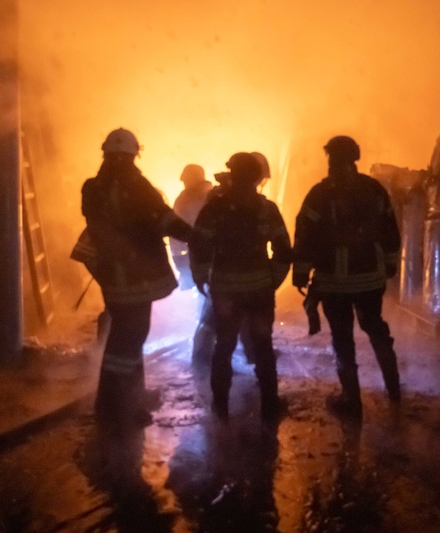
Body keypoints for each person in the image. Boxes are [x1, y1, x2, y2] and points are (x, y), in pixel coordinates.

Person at [81, 127, 192, 432]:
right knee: (127, 343)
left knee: (125, 340)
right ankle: (117, 409)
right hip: (137, 278)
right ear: (134, 156)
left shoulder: (93, 188)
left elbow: (99, 227)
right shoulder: (138, 186)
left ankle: (127, 401)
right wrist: (196, 236)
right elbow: (164, 219)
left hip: (113, 279)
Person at [292, 135, 402, 419]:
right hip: (369, 280)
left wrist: (301, 273)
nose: (330, 162)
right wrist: (389, 264)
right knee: (375, 328)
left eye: (331, 157)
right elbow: (390, 228)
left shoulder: (320, 193)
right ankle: (394, 391)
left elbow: (304, 235)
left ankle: (351, 401)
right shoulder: (373, 189)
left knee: (342, 338)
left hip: (333, 282)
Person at [189, 152, 292, 421]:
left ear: (232, 175)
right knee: (263, 345)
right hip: (259, 291)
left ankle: (220, 407)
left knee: (223, 346)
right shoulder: (266, 209)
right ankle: (269, 404)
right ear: (257, 177)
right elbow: (283, 250)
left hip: (225, 291)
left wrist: (201, 278)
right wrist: (273, 280)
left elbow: (199, 245)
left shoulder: (215, 209)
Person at [171, 164, 213, 289]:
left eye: (186, 180)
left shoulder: (184, 200)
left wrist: (180, 260)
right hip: (212, 258)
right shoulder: (214, 196)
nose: (184, 183)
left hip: (194, 256)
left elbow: (175, 232)